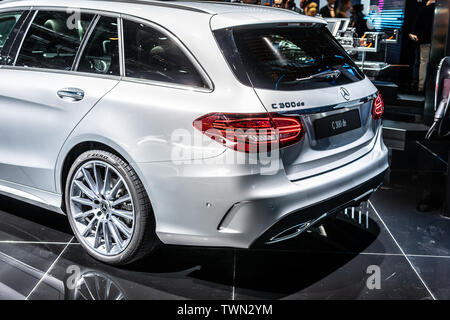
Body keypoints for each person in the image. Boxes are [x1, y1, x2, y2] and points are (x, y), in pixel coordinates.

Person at [409, 0, 436, 93]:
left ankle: (421, 86)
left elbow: (415, 27)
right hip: (440, 41)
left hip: (425, 40)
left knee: (423, 63)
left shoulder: (423, 9)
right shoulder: (442, 10)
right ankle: (434, 86)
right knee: (437, 64)